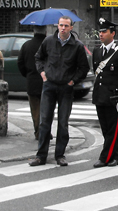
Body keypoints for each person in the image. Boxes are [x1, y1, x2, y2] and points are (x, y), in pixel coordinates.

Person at [30, 15, 89, 167]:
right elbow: (38, 57)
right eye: (61, 25)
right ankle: (41, 156)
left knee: (63, 123)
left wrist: (73, 81)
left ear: (71, 28)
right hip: (49, 85)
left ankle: (60, 155)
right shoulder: (48, 41)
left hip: (66, 88)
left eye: (66, 26)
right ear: (57, 26)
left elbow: (84, 68)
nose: (63, 28)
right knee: (44, 122)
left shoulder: (77, 46)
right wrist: (43, 73)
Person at [91, 17, 118, 168]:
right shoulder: (97, 51)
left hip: (113, 97)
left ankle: (104, 157)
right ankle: (116, 156)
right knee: (105, 129)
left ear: (112, 33)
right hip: (100, 96)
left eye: (104, 31)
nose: (101, 34)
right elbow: (96, 72)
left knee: (112, 129)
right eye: (100, 32)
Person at [17, 25, 47, 139]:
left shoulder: (26, 45)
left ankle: (38, 132)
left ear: (34, 31)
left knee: (35, 109)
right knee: (47, 109)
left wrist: (27, 74)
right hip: (47, 81)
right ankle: (46, 131)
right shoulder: (48, 44)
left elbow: (20, 62)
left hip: (32, 81)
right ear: (46, 31)